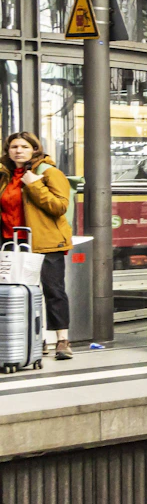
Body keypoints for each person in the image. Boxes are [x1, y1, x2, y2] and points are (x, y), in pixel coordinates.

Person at [3, 133, 72, 360]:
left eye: (24, 146)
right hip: (11, 243)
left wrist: (34, 185)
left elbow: (60, 206)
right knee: (17, 293)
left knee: (53, 291)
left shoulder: (49, 172)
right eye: (14, 147)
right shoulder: (4, 176)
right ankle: (33, 340)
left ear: (35, 149)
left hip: (44, 241)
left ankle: (62, 340)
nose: (18, 151)